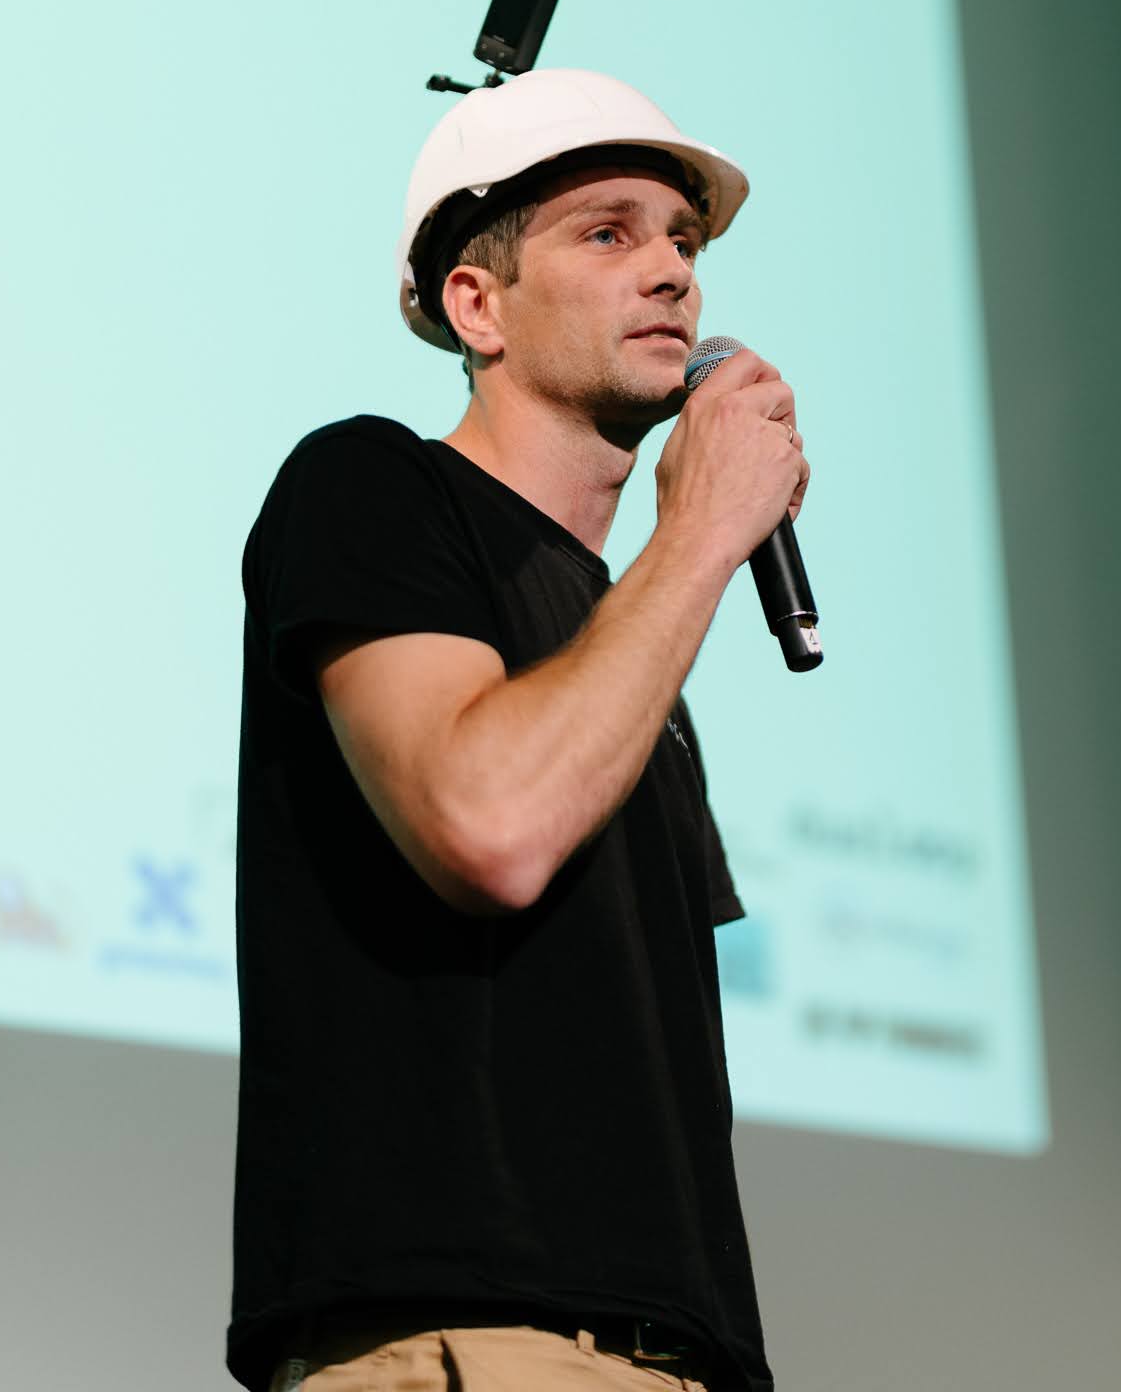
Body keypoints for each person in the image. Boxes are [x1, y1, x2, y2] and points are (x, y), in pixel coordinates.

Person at [228, 69, 809, 1392]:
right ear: (475, 305)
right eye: (608, 233)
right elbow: (486, 825)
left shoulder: (624, 632)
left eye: (684, 240)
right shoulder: (370, 485)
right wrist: (702, 531)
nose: (670, 272)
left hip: (673, 1352)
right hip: (470, 1338)